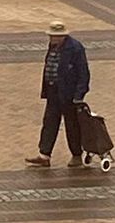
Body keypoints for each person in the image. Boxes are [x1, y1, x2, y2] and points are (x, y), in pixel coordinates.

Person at [26, 21, 90, 168]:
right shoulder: (53, 46)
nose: (52, 39)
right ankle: (44, 155)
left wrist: (79, 95)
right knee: (49, 122)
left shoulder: (75, 48)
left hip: (69, 93)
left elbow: (83, 73)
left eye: (55, 36)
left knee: (72, 125)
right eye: (51, 36)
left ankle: (76, 155)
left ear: (62, 36)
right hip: (53, 91)